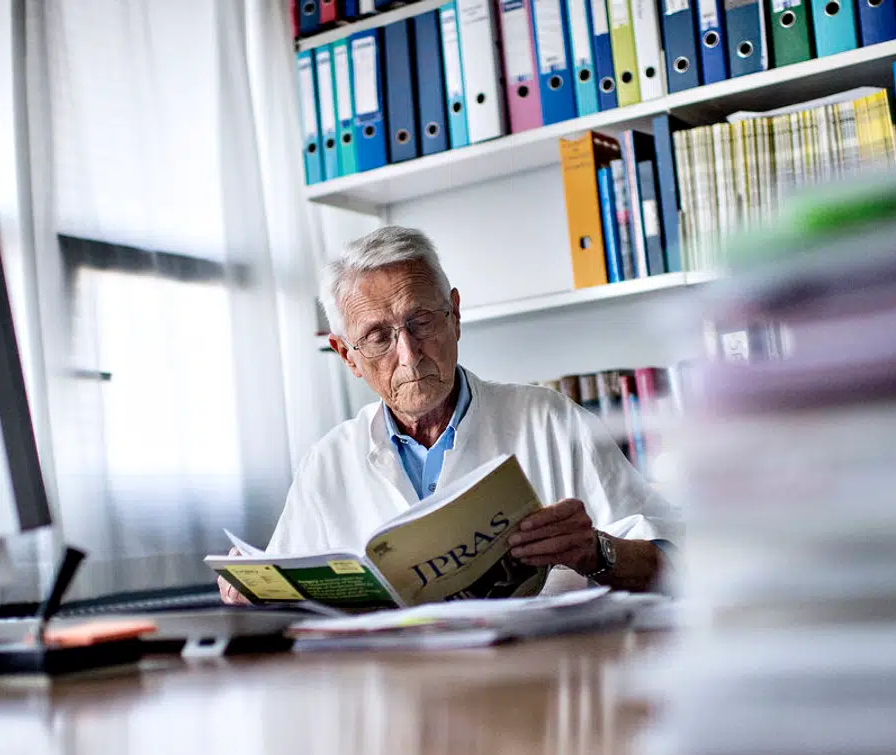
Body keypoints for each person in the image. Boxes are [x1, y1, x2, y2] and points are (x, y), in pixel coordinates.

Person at [219, 226, 674, 604]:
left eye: (421, 322)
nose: (409, 354)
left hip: (541, 684)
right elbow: (285, 598)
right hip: (390, 695)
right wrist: (252, 595)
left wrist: (597, 551)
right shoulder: (328, 462)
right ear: (347, 355)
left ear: (454, 315)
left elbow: (676, 565)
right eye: (378, 336)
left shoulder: (553, 422)